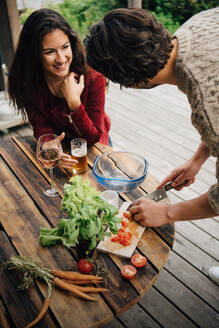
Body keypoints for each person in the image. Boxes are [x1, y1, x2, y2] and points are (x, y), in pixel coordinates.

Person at [85, 7, 219, 283]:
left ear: (130, 82)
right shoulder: (195, 26)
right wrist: (198, 159)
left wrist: (168, 212)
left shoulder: (205, 102)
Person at [8, 8, 111, 169]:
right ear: (34, 54)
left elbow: (93, 138)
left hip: (95, 148)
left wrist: (74, 103)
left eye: (65, 47)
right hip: (62, 149)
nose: (61, 59)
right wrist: (50, 146)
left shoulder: (93, 77)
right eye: (49, 52)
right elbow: (40, 123)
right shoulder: (29, 82)